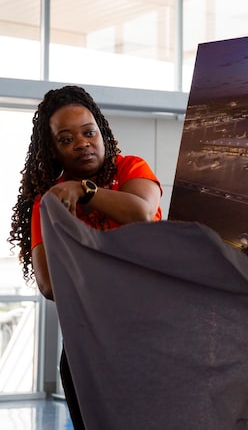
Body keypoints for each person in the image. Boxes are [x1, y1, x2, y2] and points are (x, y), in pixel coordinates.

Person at [8, 85, 163, 429]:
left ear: (101, 132)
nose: (82, 143)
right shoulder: (47, 202)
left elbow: (140, 212)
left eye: (88, 132)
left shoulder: (130, 169)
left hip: (153, 338)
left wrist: (85, 191)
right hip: (87, 347)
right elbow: (49, 284)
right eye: (66, 139)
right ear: (53, 150)